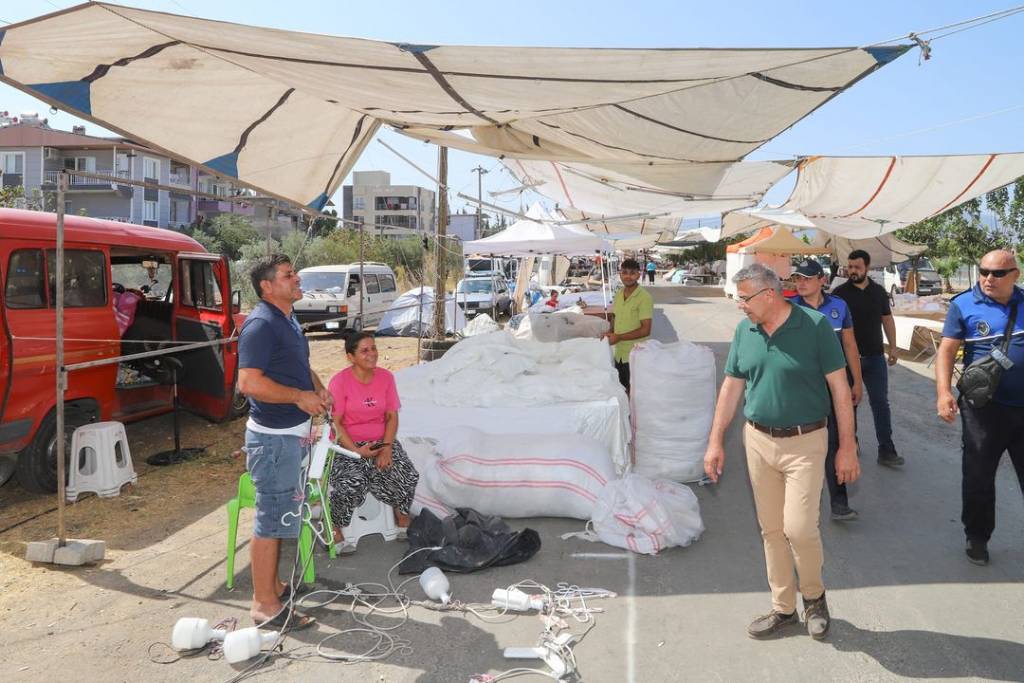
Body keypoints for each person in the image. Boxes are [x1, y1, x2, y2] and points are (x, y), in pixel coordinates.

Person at [704, 263, 859, 641]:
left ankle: (814, 598)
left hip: (806, 442)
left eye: (745, 299)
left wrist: (847, 447)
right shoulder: (745, 331)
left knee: (799, 528)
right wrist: (715, 439)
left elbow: (840, 389)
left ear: (769, 294)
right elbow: (731, 387)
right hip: (758, 441)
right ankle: (783, 608)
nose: (740, 306)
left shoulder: (815, 326)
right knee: (772, 530)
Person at [238, 254, 331, 629]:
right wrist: (297, 397)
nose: (296, 279)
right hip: (274, 442)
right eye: (288, 275)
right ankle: (264, 605)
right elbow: (249, 383)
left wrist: (318, 387)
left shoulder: (287, 319)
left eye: (294, 273)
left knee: (282, 516)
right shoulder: (260, 324)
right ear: (267, 286)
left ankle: (273, 584)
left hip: (291, 436)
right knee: (272, 520)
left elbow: (296, 364)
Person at [935, 249, 1024, 566]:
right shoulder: (963, 304)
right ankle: (977, 537)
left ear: (1015, 274)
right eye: (983, 271)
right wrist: (944, 392)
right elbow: (946, 351)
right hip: (984, 411)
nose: (988, 278)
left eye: (997, 273)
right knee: (978, 477)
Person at [327, 332, 419, 549]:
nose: (372, 354)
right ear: (351, 357)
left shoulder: (386, 378)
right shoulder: (339, 382)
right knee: (351, 481)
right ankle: (335, 526)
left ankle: (401, 516)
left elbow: (391, 417)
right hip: (347, 445)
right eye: (365, 350)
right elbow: (336, 423)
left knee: (407, 473)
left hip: (379, 441)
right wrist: (358, 452)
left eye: (374, 348)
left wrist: (386, 448)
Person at [790, 259, 864, 521]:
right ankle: (798, 505)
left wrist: (857, 381)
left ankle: (839, 502)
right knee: (801, 445)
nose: (800, 283)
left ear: (822, 280)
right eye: (797, 278)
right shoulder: (788, 308)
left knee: (837, 442)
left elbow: (850, 345)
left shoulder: (839, 306)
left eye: (806, 278)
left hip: (835, 387)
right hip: (802, 390)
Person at [833, 250, 903, 467]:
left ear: (867, 268)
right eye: (850, 267)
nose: (852, 271)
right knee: (849, 404)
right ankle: (850, 444)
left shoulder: (879, 292)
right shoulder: (839, 294)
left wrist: (893, 347)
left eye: (857, 267)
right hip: (845, 361)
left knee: (880, 403)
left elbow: (887, 320)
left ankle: (886, 450)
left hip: (874, 358)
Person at [601, 258, 653, 391]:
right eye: (624, 272)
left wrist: (618, 337)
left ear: (638, 275)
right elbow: (615, 317)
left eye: (632, 273)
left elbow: (646, 330)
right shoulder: (618, 294)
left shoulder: (644, 297)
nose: (628, 276)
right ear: (620, 274)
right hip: (619, 354)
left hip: (635, 355)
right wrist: (610, 331)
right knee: (621, 390)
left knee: (635, 393)